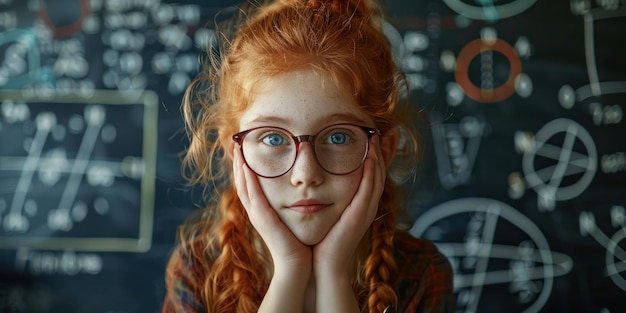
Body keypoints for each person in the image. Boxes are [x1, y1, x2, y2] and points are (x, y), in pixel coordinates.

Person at [162, 0, 454, 312]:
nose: (306, 173)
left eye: (338, 137)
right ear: (235, 153)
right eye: (273, 138)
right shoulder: (197, 270)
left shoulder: (421, 273)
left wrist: (333, 273)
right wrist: (290, 269)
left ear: (383, 149)